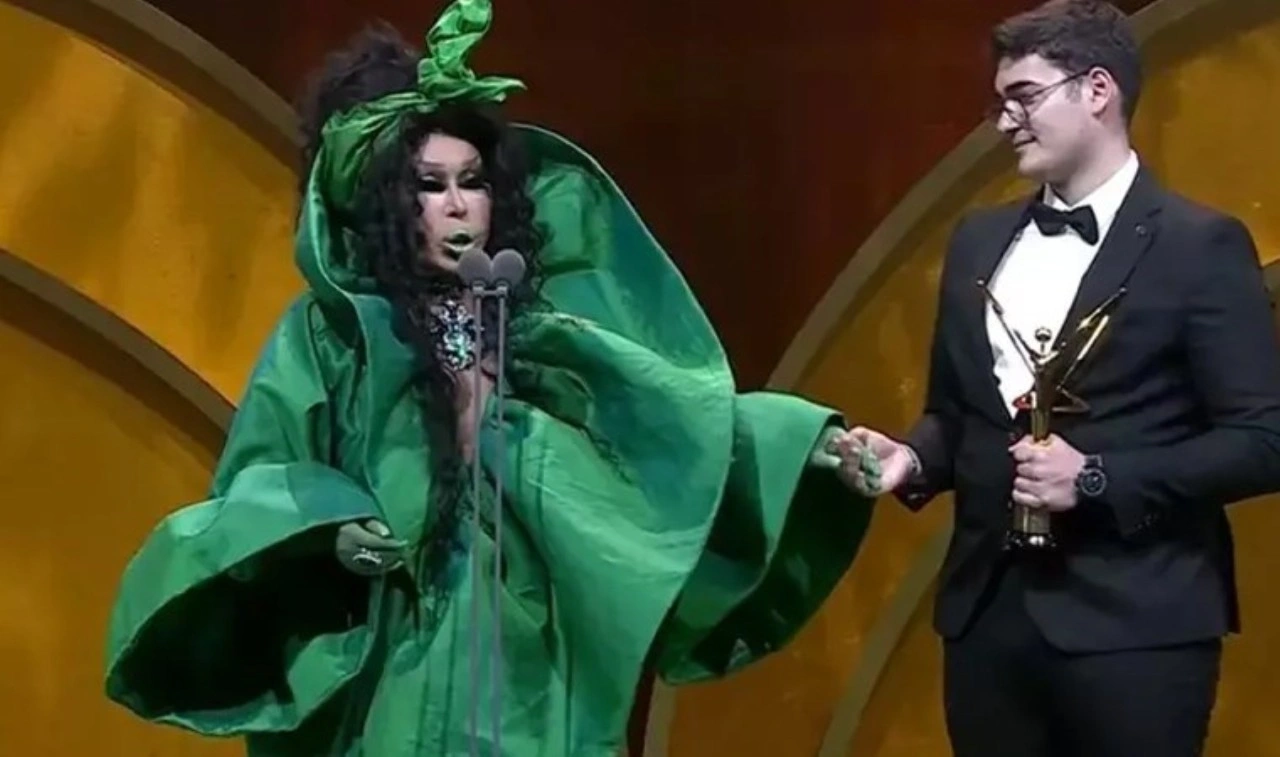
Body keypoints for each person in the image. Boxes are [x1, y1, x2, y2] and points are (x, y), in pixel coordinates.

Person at [101, 1, 878, 755]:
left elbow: (672, 425)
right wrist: (330, 530)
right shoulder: (330, 337)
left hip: (534, 670)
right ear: (384, 202)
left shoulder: (536, 328)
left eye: (470, 181)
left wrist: (811, 443)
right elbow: (261, 481)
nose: (457, 207)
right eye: (429, 186)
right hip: (395, 668)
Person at [839, 1, 1280, 755]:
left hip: (1138, 627)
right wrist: (911, 457)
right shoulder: (977, 241)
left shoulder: (1199, 245)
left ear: (1097, 90)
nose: (1006, 122)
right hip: (987, 620)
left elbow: (1263, 440)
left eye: (1025, 96)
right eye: (1000, 103)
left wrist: (1098, 478)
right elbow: (958, 412)